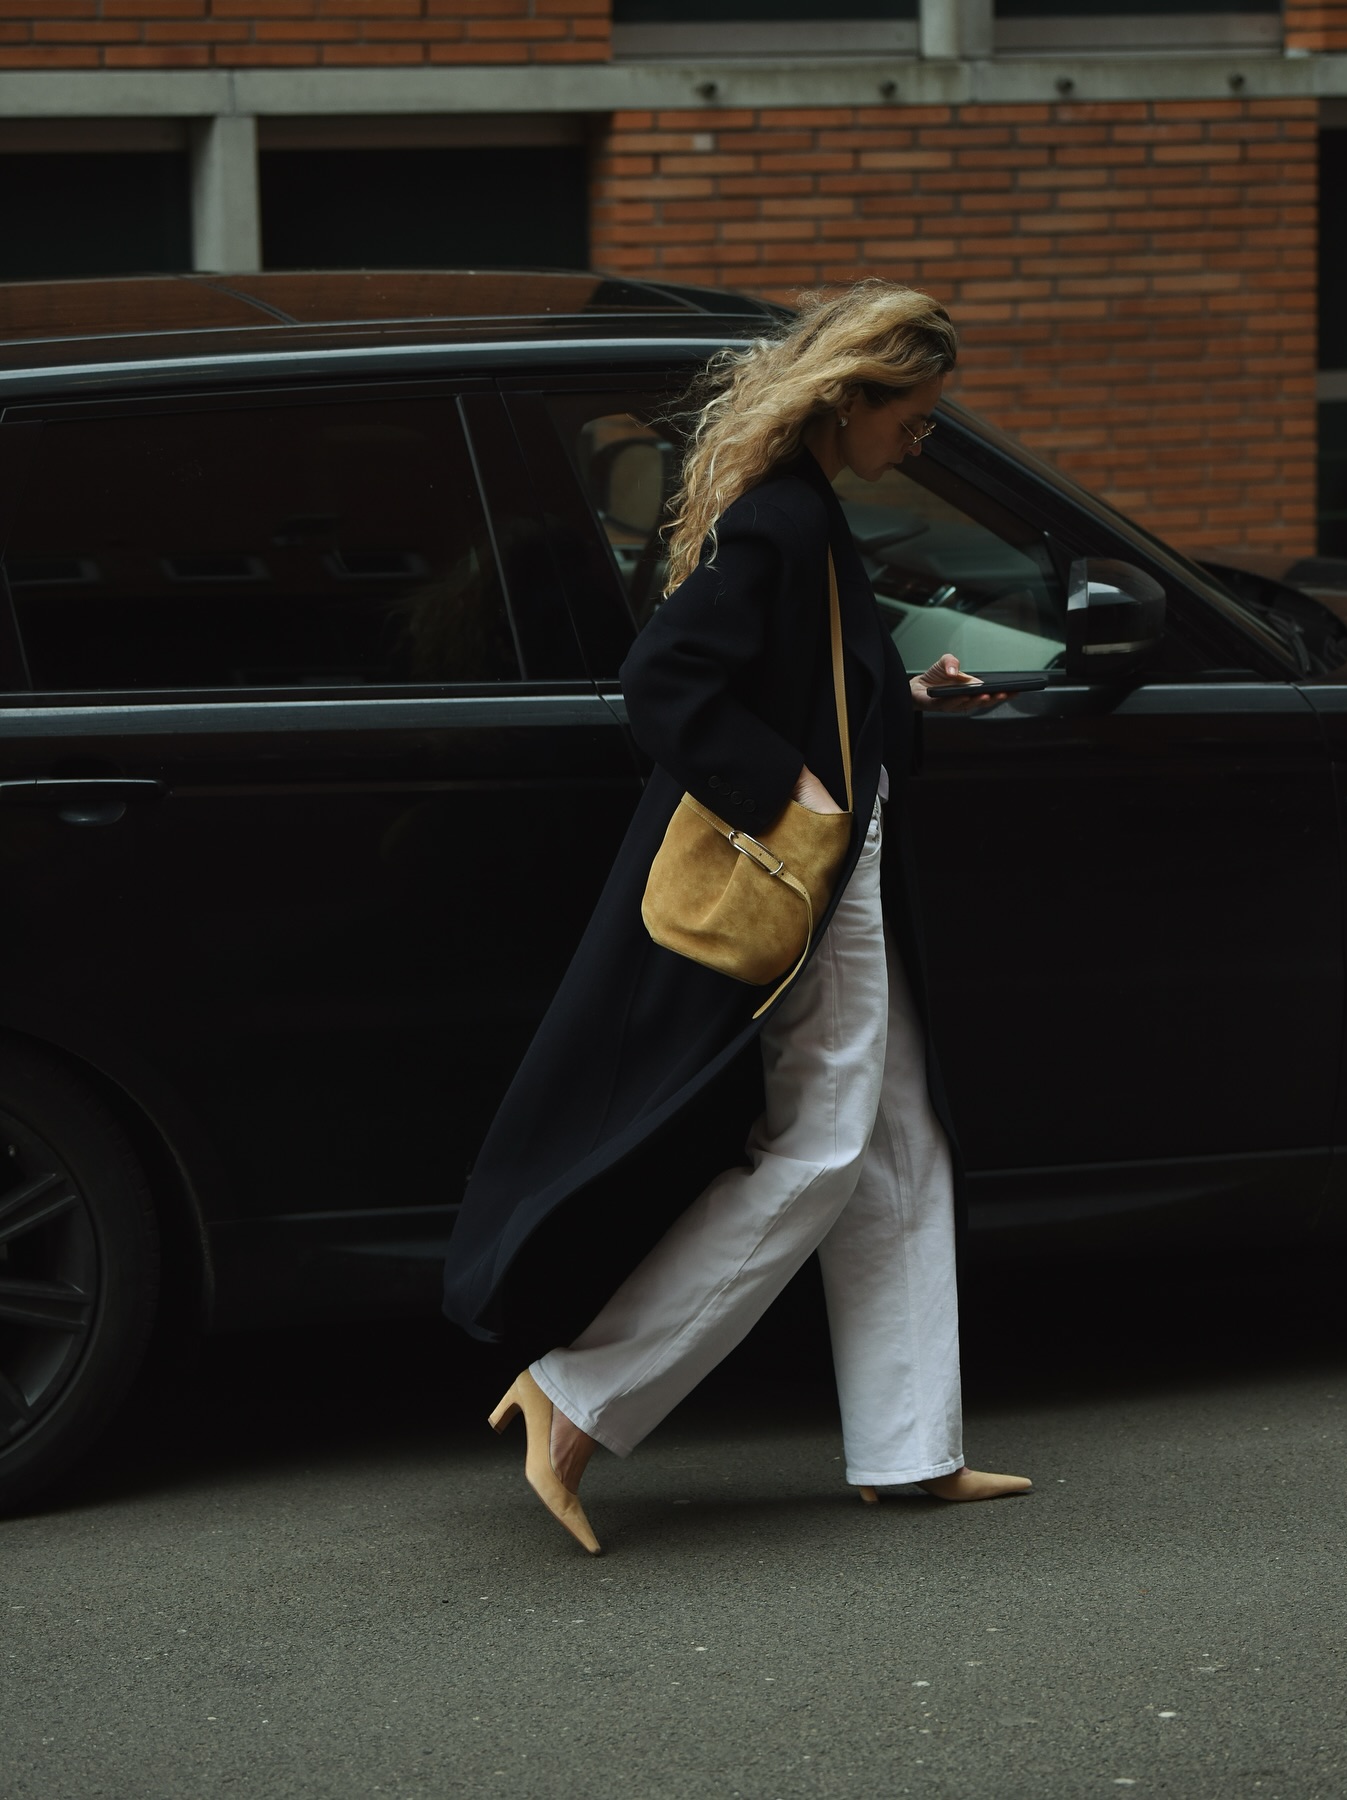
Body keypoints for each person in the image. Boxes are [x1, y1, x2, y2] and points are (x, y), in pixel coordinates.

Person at [443, 280, 1031, 1554]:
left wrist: (907, 701)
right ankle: (577, 1394)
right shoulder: (783, 516)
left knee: (896, 1147)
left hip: (840, 859)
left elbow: (800, 676)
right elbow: (663, 680)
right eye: (913, 421)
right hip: (815, 873)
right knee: (823, 1147)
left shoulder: (807, 512)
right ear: (851, 398)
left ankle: (909, 1446)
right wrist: (786, 786)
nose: (915, 444)